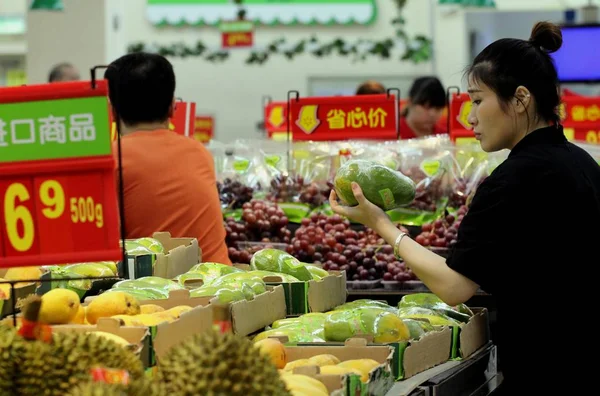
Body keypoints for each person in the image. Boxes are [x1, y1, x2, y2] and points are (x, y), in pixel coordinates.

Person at [330, 21, 599, 395]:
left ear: (520, 99)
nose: (468, 117)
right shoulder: (583, 164)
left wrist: (383, 225)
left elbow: (454, 286)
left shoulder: (513, 179)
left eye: (476, 100)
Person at [105, 53, 231, 264]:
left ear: (112, 110)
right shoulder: (199, 152)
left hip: (157, 290)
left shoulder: (111, 159)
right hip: (221, 283)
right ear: (173, 105)